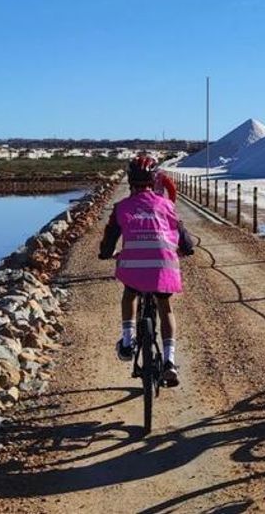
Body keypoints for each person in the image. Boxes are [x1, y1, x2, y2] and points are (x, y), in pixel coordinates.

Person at [99, 155, 194, 386]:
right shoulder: (167, 205)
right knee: (165, 307)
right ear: (153, 181)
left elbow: (109, 240)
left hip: (133, 268)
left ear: (130, 180)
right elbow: (185, 240)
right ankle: (169, 361)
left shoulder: (121, 207)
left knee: (130, 294)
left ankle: (127, 342)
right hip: (164, 266)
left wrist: (106, 254)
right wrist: (185, 250)